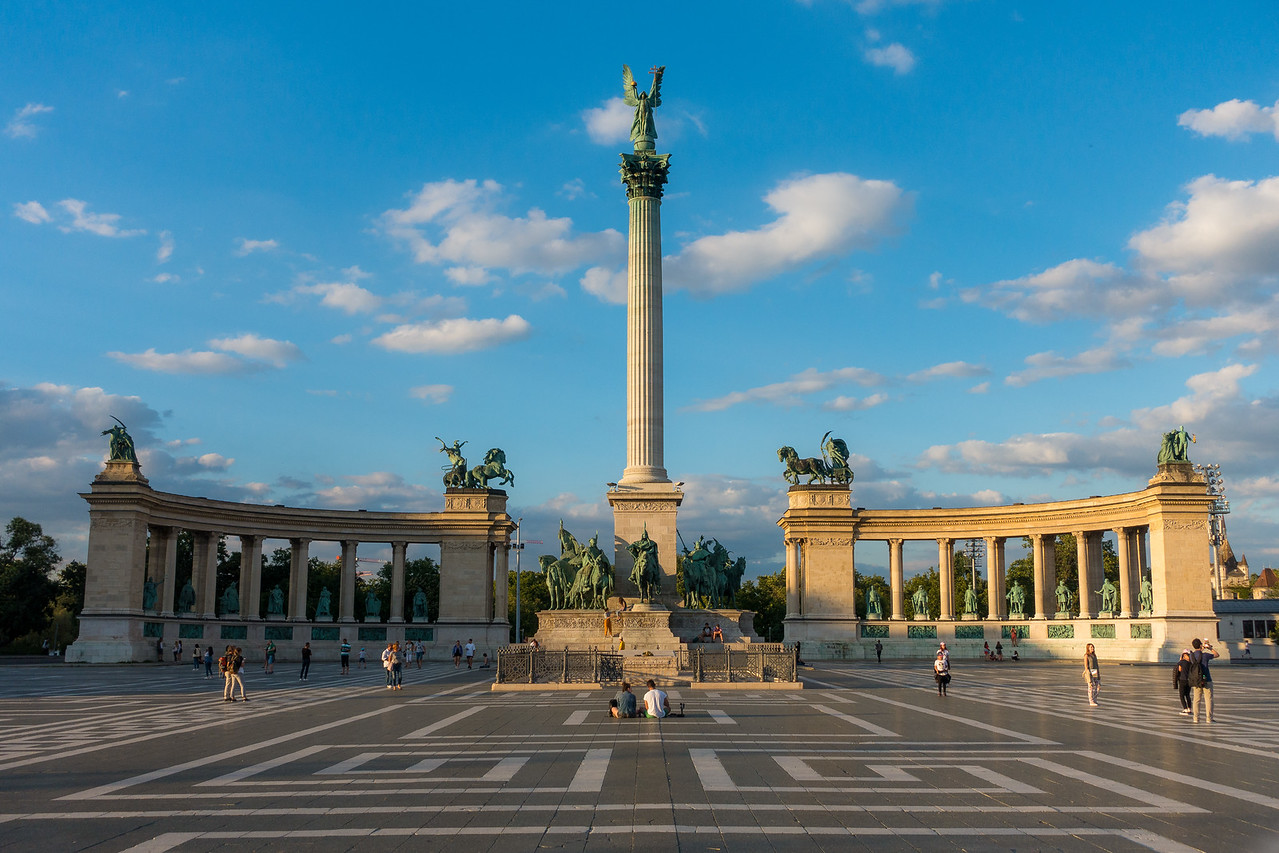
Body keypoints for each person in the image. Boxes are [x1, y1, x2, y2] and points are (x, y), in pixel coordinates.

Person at [1189, 637, 1218, 723]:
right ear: (1201, 645)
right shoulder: (1205, 655)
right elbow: (1216, 655)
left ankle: (1196, 718)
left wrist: (1200, 649)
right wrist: (1210, 648)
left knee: (1196, 699)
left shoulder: (1191, 655)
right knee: (1208, 699)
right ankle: (1209, 718)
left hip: (1196, 679)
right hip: (1206, 678)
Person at [1174, 650, 1193, 715]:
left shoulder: (1181, 662)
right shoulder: (1191, 663)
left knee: (1182, 695)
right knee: (1188, 695)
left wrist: (1180, 660)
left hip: (1182, 680)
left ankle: (1185, 709)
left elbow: (1179, 670)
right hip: (1189, 680)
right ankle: (1189, 708)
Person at [1083, 643, 1100, 707]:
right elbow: (1086, 666)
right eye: (1091, 647)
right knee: (1090, 687)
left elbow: (1097, 665)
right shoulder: (1086, 656)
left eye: (1093, 647)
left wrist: (1099, 674)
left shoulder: (1094, 655)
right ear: (1088, 648)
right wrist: (1088, 675)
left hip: (1095, 671)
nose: (1092, 648)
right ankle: (1091, 700)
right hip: (1090, 671)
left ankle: (1095, 699)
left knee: (1097, 687)